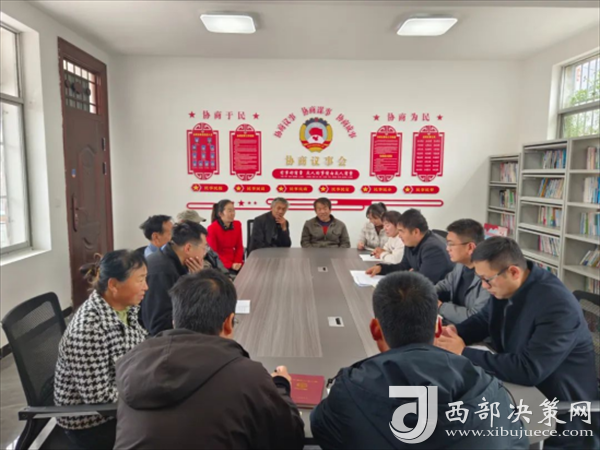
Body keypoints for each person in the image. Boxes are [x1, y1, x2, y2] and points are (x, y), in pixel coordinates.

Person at [310, 272, 528, 450]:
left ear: (375, 330)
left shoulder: (350, 390)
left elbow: (321, 429)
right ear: (438, 327)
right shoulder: (489, 389)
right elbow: (517, 441)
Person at [435, 237, 599, 450]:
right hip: (521, 391)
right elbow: (485, 319)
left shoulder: (557, 306)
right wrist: (455, 333)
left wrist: (463, 351)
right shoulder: (508, 285)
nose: (484, 286)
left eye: (487, 280)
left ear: (513, 271)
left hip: (559, 412)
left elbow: (529, 369)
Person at [114, 270, 305, 450]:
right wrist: (281, 386)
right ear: (228, 323)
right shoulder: (247, 376)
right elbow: (290, 439)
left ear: (174, 321)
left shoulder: (133, 365)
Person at [54, 250, 148, 450]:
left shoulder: (123, 307)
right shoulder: (89, 329)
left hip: (121, 394)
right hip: (92, 423)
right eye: (140, 280)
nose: (146, 287)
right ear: (113, 285)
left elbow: (137, 346)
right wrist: (146, 393)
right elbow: (99, 400)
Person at [141, 221, 207, 335]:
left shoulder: (179, 263)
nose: (205, 254)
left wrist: (196, 279)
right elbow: (158, 326)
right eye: (204, 248)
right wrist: (196, 282)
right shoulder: (162, 271)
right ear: (188, 248)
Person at [366, 209, 453, 284]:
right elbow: (403, 267)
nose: (399, 235)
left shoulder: (433, 249)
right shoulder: (410, 242)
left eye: (401, 231)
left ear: (416, 232)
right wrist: (381, 268)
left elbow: (423, 282)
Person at [436, 219, 490, 324]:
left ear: (470, 247)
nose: (447, 248)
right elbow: (446, 284)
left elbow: (475, 317)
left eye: (451, 244)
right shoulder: (461, 265)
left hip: (472, 331)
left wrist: (440, 307)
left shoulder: (488, 276)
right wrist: (427, 293)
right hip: (453, 324)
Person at [174, 210, 232, 280]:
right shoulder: (177, 252)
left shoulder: (201, 240)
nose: (198, 227)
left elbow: (215, 257)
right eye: (195, 224)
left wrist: (226, 277)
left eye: (199, 224)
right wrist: (200, 277)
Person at [207, 199, 244, 273]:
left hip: (236, 262)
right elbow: (214, 253)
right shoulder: (212, 228)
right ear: (220, 214)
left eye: (233, 210)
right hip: (220, 264)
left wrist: (237, 262)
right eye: (229, 211)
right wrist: (230, 265)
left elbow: (239, 246)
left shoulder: (237, 224)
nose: (233, 213)